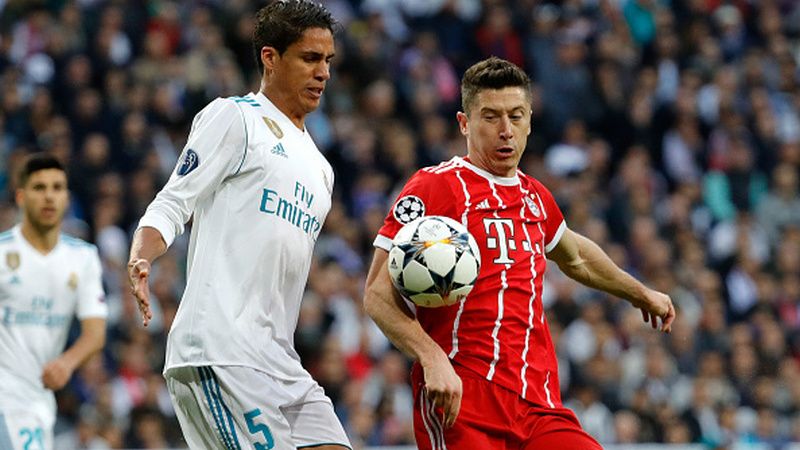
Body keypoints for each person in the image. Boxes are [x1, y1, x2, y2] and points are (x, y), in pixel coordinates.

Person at [363, 57, 676, 449]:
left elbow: (574, 255)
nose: (505, 130)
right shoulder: (433, 188)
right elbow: (377, 293)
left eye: (516, 115)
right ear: (464, 123)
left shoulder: (536, 197)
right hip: (465, 399)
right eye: (490, 117)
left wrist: (639, 292)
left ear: (530, 120)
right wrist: (431, 358)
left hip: (539, 405)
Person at [126, 1, 351, 449]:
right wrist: (141, 255)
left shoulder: (322, 170)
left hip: (281, 362)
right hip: (220, 351)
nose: (323, 72)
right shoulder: (236, 118)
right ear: (271, 57)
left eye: (327, 60)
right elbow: (173, 201)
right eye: (309, 58)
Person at [0, 153, 107, 450]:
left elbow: (95, 333)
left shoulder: (83, 257)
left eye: (57, 188)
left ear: (67, 197)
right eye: (39, 188)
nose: (49, 196)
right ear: (21, 197)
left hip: (40, 399)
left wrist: (67, 362)